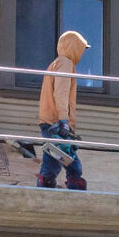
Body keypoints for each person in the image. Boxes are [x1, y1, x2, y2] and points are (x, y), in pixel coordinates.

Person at [36, 30, 89, 190]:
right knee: (71, 162)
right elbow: (61, 92)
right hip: (57, 123)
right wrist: (64, 121)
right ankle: (75, 187)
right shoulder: (65, 63)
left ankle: (44, 187)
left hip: (50, 122)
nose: (82, 53)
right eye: (81, 48)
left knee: (53, 160)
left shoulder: (56, 64)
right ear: (74, 47)